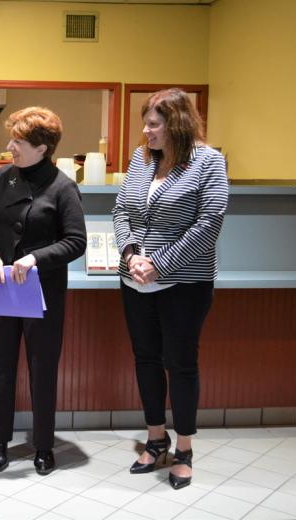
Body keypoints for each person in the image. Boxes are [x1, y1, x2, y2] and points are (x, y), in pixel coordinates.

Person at [112, 88, 228, 490]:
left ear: (177, 123)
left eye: (154, 124)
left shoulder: (208, 162)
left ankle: (184, 449)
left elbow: (208, 224)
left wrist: (159, 263)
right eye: (145, 123)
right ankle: (156, 438)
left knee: (180, 363)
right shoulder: (142, 159)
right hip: (135, 278)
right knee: (145, 359)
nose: (146, 132)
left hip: (184, 283)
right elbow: (121, 210)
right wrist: (131, 256)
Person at [0, 107, 87, 476]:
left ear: (42, 147)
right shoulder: (2, 177)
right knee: (0, 368)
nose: (10, 147)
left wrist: (35, 258)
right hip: (3, 288)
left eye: (18, 142)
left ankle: (43, 445)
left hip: (44, 294)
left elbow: (76, 242)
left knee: (42, 369)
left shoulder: (63, 187)